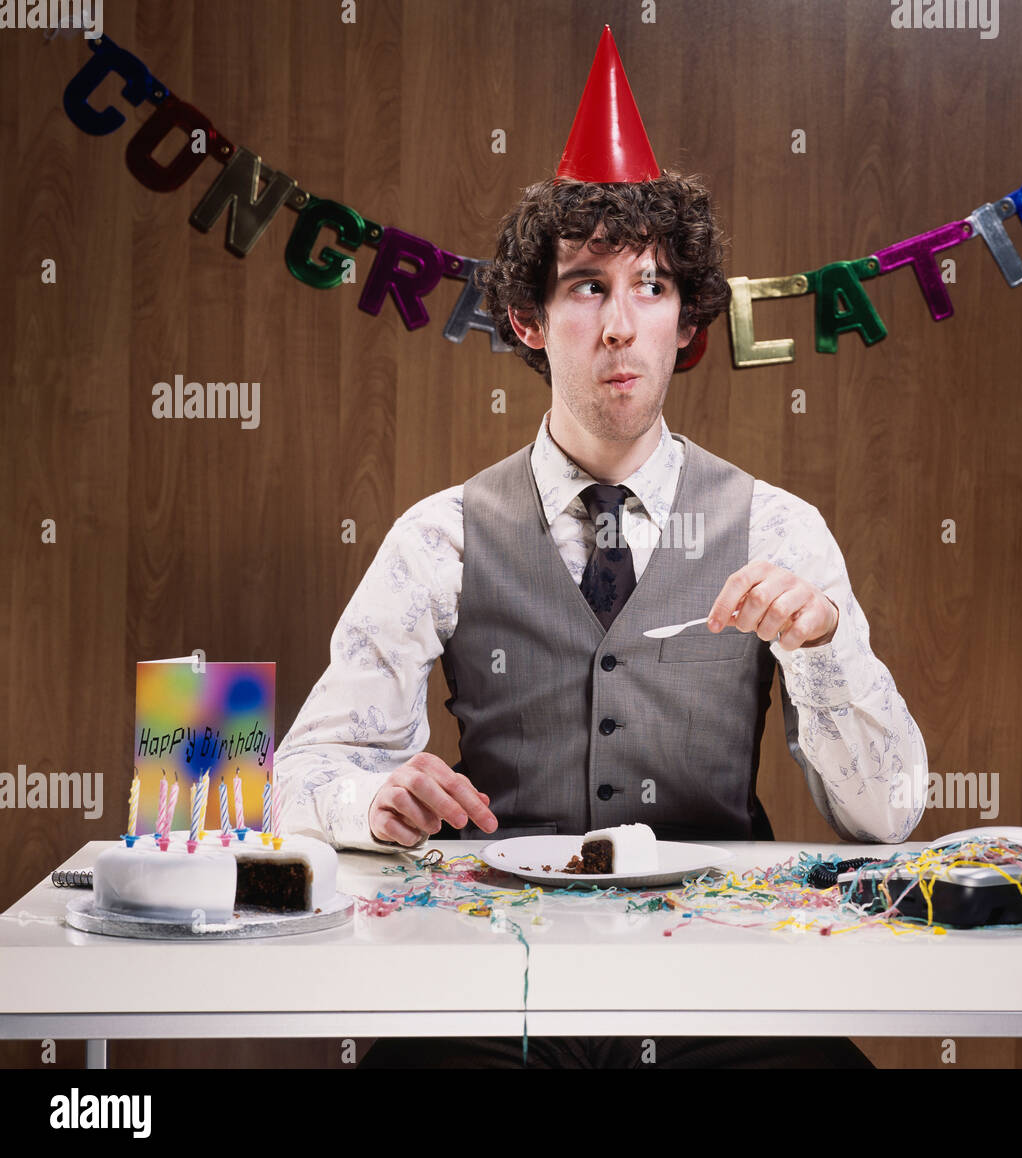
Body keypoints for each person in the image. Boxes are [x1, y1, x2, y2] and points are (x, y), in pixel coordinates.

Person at [274, 26, 927, 1068]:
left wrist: (823, 648)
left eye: (652, 287)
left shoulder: (778, 528)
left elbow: (888, 817)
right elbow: (303, 772)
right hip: (496, 989)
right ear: (529, 319)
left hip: (719, 990)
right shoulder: (440, 535)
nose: (621, 324)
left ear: (687, 322)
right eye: (587, 285)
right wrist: (369, 798)